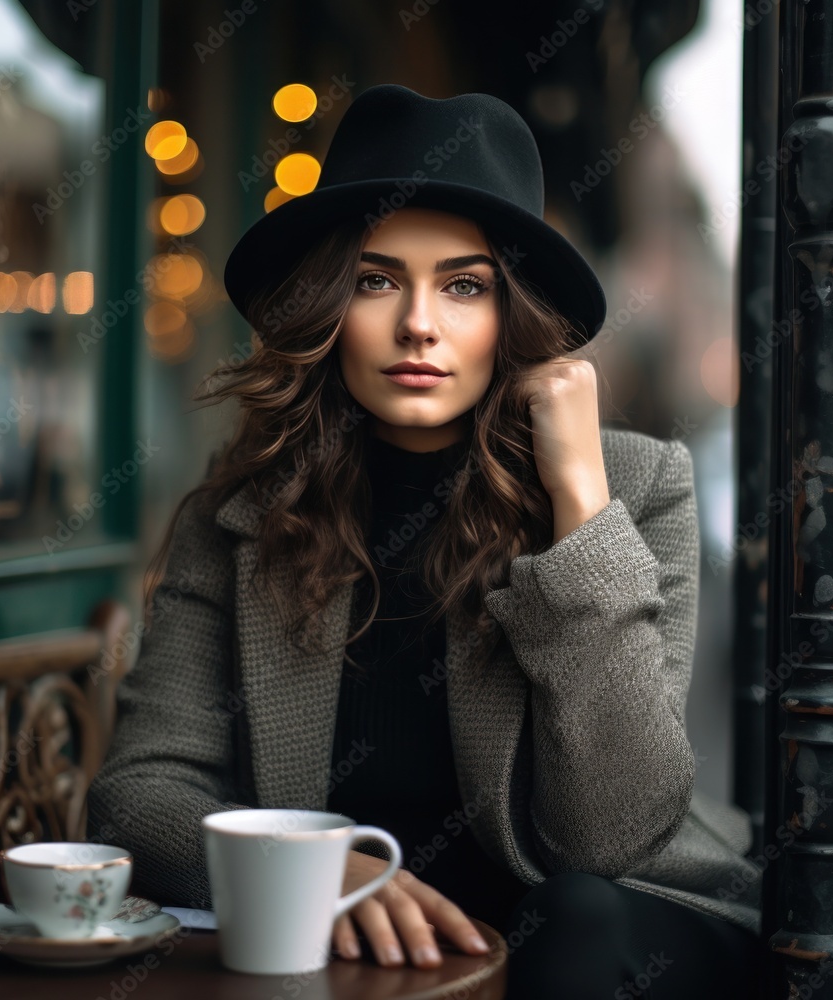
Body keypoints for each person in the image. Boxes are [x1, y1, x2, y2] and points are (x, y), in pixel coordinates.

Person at [87, 84, 763, 998]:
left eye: (465, 286)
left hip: (615, 931)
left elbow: (610, 835)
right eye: (375, 280)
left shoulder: (636, 487)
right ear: (329, 307)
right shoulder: (240, 514)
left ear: (511, 314)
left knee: (573, 918)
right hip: (365, 957)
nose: (417, 322)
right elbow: (140, 793)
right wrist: (321, 876)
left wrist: (576, 502)